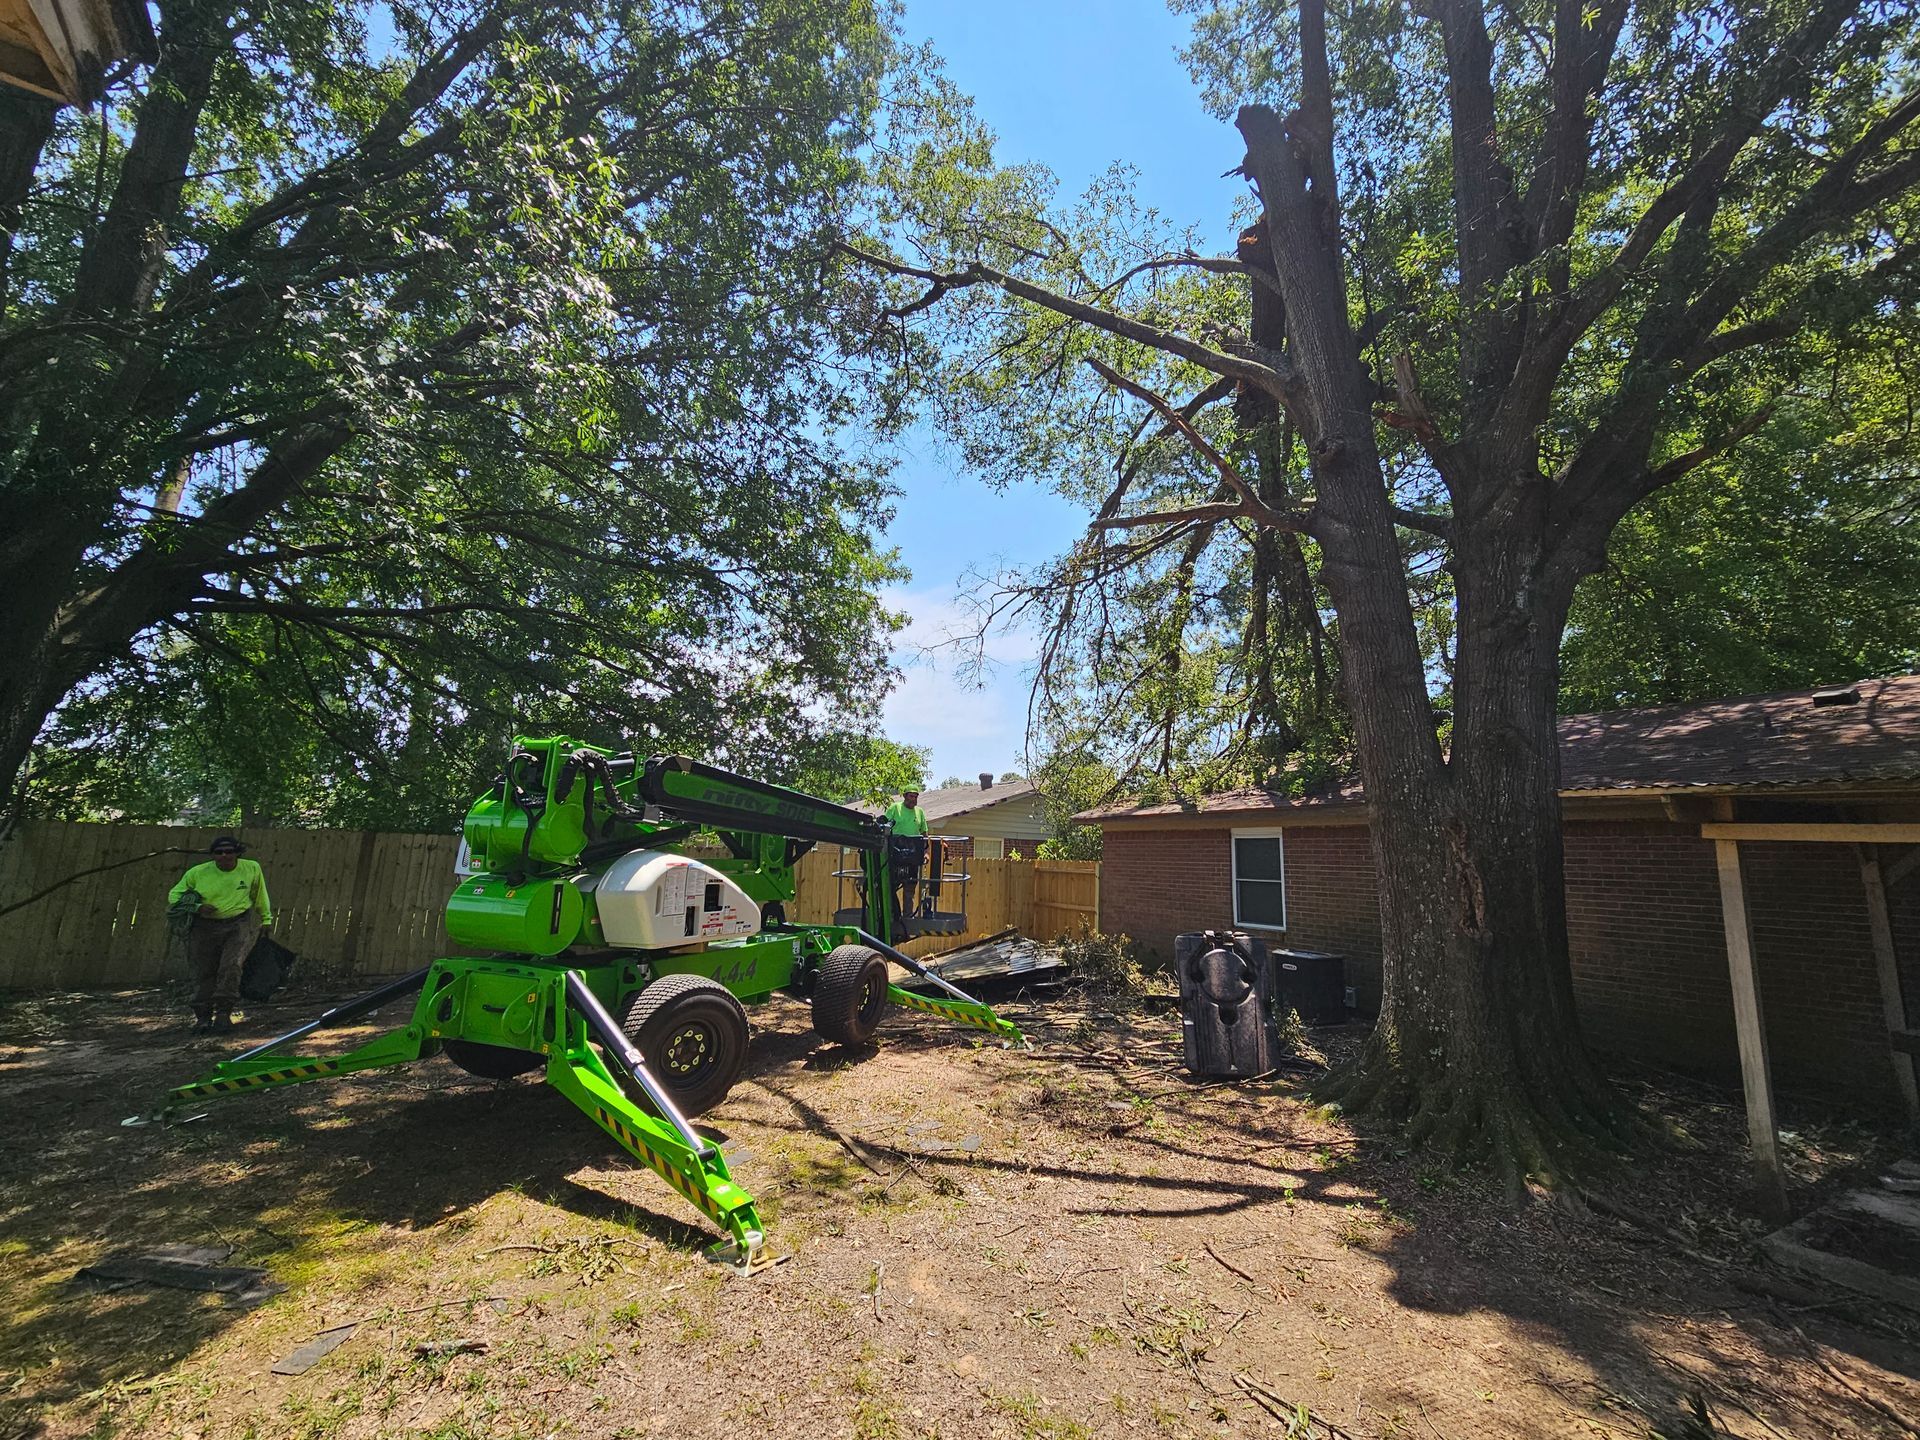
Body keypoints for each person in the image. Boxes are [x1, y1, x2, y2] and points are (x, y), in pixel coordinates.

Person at [168, 836, 272, 1034]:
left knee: (231, 967)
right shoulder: (198, 873)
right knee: (205, 970)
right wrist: (197, 907)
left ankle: (224, 1013)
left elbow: (260, 894)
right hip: (203, 927)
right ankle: (203, 1016)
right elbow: (174, 895)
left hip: (237, 923)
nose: (224, 856)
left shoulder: (251, 868)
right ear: (213, 855)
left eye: (229, 851)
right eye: (219, 852)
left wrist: (266, 918)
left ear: (237, 853)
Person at [883, 789, 929, 922]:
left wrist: (926, 853)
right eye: (910, 796)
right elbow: (884, 827)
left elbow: (925, 835)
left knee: (910, 888)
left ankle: (907, 916)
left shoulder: (919, 812)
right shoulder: (895, 808)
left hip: (913, 857)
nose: (913, 799)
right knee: (890, 886)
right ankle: (891, 915)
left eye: (915, 796)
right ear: (904, 796)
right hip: (895, 855)